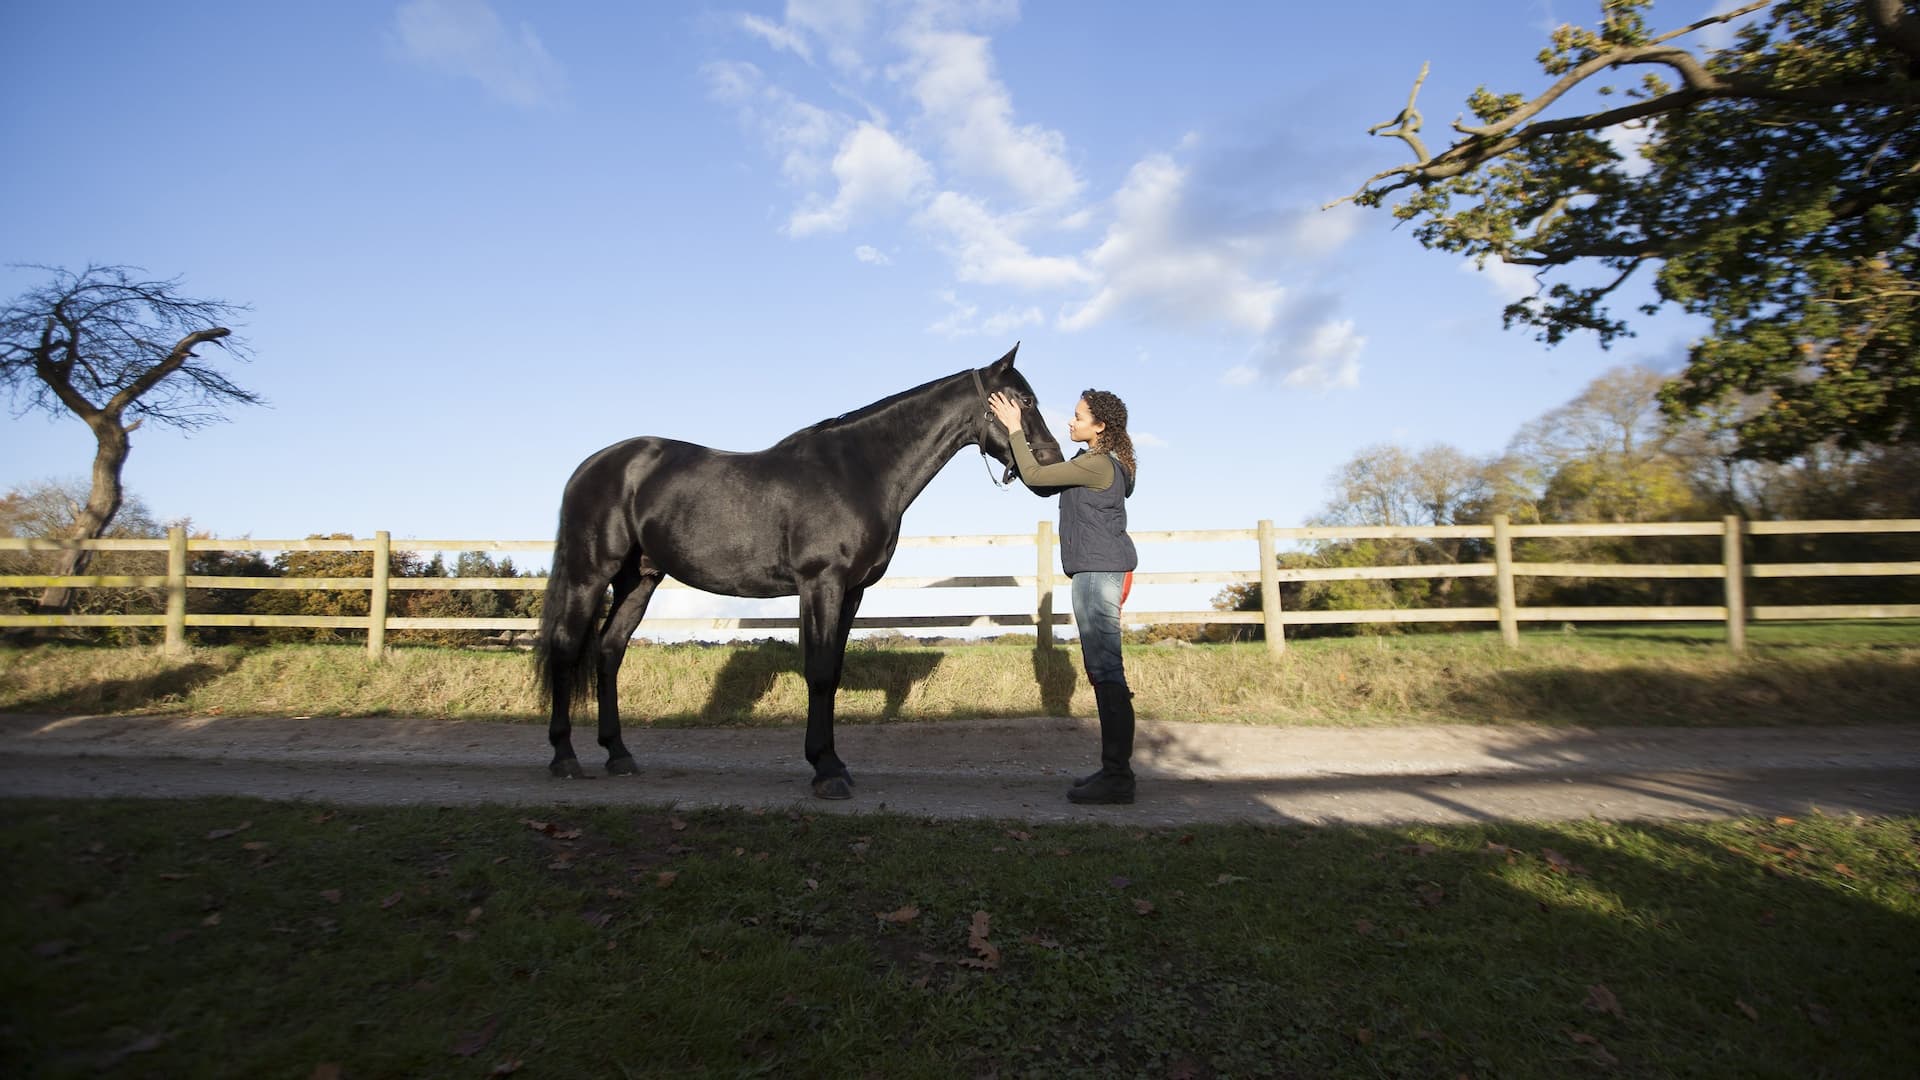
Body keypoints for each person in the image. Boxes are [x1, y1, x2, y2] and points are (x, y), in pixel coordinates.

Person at [987, 386, 1139, 805]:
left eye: (1078, 416)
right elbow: (1042, 485)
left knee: (1107, 671)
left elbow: (1036, 476)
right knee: (1103, 670)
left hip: (1099, 572)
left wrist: (1016, 427)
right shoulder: (1095, 464)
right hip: (1099, 570)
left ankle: (1118, 778)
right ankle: (1114, 770)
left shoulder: (1098, 465)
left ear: (1100, 426)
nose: (1070, 422)